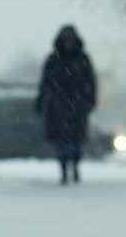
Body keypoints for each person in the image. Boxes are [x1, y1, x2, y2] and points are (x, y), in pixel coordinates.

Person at [34, 25, 97, 185]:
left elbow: (91, 82)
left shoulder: (82, 60)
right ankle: (63, 169)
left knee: (76, 139)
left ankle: (75, 166)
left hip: (77, 105)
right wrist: (41, 101)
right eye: (66, 41)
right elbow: (45, 83)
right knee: (61, 140)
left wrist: (89, 100)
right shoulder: (53, 60)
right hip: (58, 106)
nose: (68, 44)